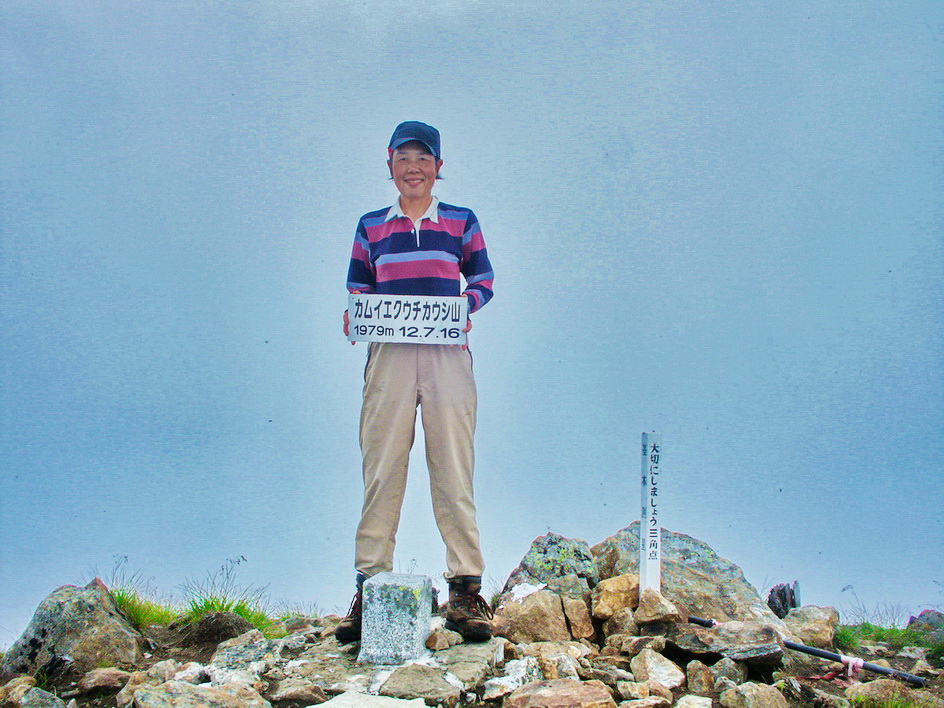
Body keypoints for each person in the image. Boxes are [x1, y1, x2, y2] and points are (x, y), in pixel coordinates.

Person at [336, 121, 495, 643]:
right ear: (389, 164)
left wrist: (464, 308)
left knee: (452, 464)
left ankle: (466, 591)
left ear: (438, 167)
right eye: (404, 158)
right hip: (390, 358)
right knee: (382, 464)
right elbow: (359, 287)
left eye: (423, 159)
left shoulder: (461, 222)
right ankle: (370, 584)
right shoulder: (370, 226)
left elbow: (484, 280)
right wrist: (356, 315)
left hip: (448, 354)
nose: (413, 168)